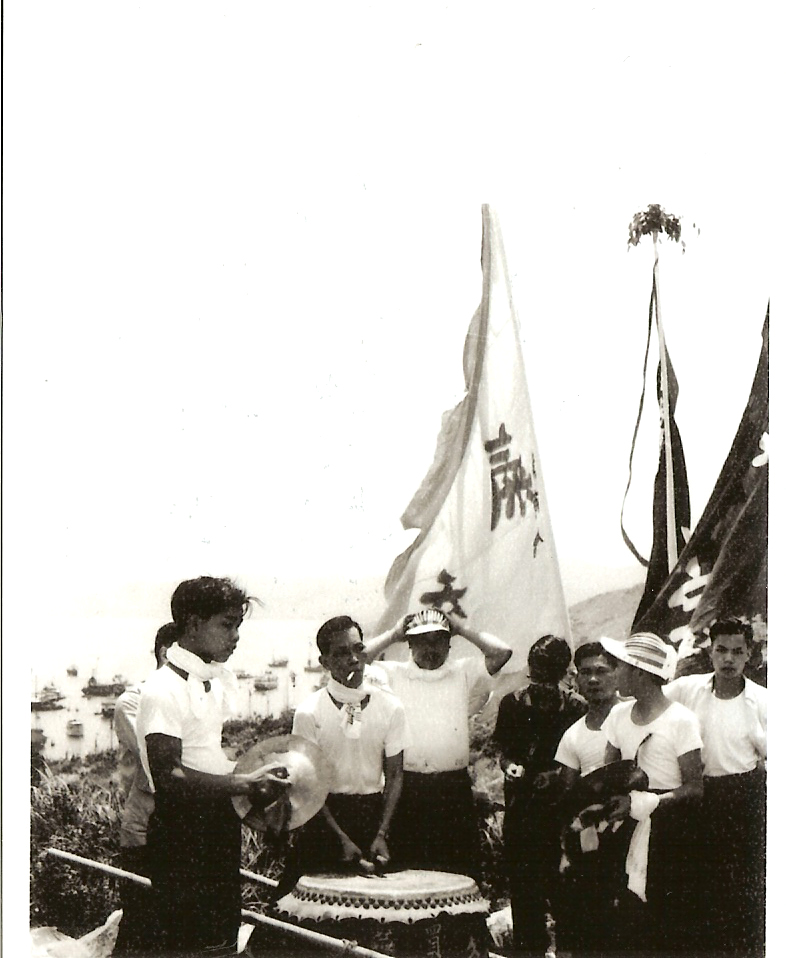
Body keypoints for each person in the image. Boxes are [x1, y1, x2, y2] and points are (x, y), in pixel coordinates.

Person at [136, 577, 290, 957]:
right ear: (192, 624)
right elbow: (169, 777)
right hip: (181, 835)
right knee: (188, 943)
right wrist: (242, 782)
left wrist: (257, 770)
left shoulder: (209, 682)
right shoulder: (162, 688)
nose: (235, 636)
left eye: (238, 624)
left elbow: (204, 757)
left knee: (221, 935)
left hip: (216, 826)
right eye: (226, 624)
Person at [364, 607, 512, 878]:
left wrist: (463, 628)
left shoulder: (463, 671)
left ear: (449, 642)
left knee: (459, 873)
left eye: (438, 640)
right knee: (405, 873)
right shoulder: (392, 674)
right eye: (422, 640)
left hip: (452, 788)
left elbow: (502, 652)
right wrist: (392, 634)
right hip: (407, 788)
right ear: (409, 643)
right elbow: (357, 660)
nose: (430, 648)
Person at [281, 615, 407, 888]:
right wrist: (340, 838)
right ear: (324, 663)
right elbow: (307, 784)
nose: (353, 659)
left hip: (375, 820)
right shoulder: (309, 712)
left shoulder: (391, 707)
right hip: (325, 820)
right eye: (341, 653)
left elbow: (395, 774)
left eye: (358, 649)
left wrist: (382, 832)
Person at [665, 617, 766, 956]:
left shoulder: (764, 702)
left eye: (737, 652)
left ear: (749, 654)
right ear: (710, 652)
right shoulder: (685, 689)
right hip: (697, 797)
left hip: (744, 799)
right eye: (721, 650)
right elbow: (649, 705)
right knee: (699, 888)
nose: (728, 659)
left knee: (743, 888)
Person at [601, 632, 704, 955]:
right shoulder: (618, 715)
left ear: (639, 673)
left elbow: (695, 787)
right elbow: (609, 773)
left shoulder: (681, 720)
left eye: (620, 666)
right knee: (626, 918)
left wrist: (652, 802)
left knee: (668, 918)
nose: (614, 672)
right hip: (625, 823)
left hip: (671, 832)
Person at [492, 634, 586, 957]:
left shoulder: (576, 707)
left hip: (561, 817)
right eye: (536, 675)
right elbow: (503, 752)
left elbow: (584, 761)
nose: (541, 685)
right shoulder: (513, 704)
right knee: (525, 898)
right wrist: (510, 767)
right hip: (521, 814)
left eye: (549, 677)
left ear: (561, 674)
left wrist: (557, 776)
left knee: (567, 900)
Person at [112, 622, 178, 955]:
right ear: (167, 653)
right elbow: (161, 763)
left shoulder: (186, 701)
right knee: (141, 928)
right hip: (144, 834)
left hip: (180, 833)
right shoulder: (132, 702)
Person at [553, 641, 621, 956]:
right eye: (586, 673)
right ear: (576, 679)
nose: (593, 680)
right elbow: (567, 801)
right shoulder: (573, 736)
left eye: (601, 671)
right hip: (594, 844)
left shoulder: (636, 717)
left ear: (617, 673)